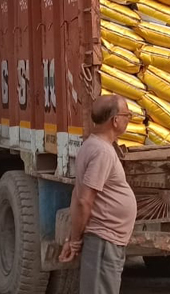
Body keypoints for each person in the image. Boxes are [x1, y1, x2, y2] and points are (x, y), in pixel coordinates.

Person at [59, 95, 137, 294]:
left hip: (106, 240)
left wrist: (72, 238)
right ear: (115, 120)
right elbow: (84, 200)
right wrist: (75, 240)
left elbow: (78, 194)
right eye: (127, 114)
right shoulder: (102, 152)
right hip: (103, 241)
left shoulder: (93, 145)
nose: (129, 118)